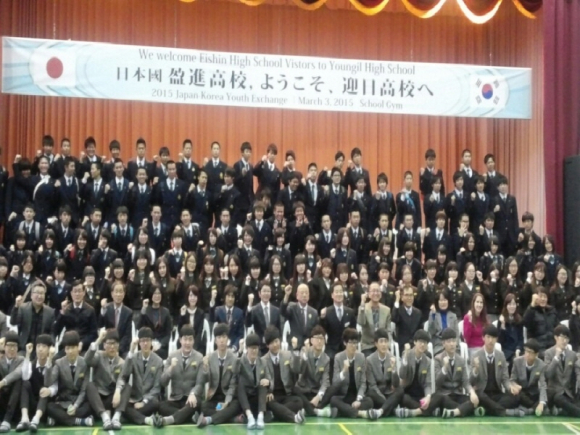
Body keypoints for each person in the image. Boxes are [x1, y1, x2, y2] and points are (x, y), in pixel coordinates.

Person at [157, 325, 204, 427]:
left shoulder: (199, 357)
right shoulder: (172, 356)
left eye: (190, 339)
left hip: (190, 399)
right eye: (185, 339)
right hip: (176, 399)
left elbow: (200, 383)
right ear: (180, 340)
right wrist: (171, 368)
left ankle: (170, 419)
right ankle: (189, 416)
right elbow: (163, 382)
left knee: (196, 403)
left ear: (193, 341)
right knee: (161, 406)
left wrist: (193, 393)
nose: (187, 343)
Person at [196, 324, 241, 428]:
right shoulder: (210, 358)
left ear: (228, 339)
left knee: (236, 405)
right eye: (219, 337)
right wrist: (205, 368)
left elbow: (233, 385)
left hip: (227, 397)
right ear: (215, 340)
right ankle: (231, 418)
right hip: (214, 398)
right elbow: (205, 380)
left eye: (224, 337)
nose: (221, 340)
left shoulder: (234, 359)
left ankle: (209, 419)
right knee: (203, 406)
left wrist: (227, 402)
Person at [45, 331, 94, 427]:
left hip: (78, 403)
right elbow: (48, 382)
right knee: (50, 407)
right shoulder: (59, 363)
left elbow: (83, 390)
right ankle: (79, 421)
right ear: (64, 349)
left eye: (73, 348)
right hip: (63, 403)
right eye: (68, 348)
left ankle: (59, 419)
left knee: (89, 406)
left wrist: (75, 406)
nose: (70, 351)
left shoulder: (84, 363)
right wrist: (49, 360)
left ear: (78, 347)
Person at [116, 327, 163, 426]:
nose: (145, 343)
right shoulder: (133, 357)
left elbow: (156, 388)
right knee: (123, 405)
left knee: (155, 403)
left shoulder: (158, 361)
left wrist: (144, 402)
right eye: (142, 341)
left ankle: (132, 416)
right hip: (135, 399)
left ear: (151, 342)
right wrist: (131, 351)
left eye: (148, 340)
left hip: (149, 401)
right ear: (139, 343)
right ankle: (146, 419)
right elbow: (124, 374)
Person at [470, 325, 519, 416]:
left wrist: (510, 387)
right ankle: (503, 411)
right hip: (483, 393)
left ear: (496, 339)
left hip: (497, 394)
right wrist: (475, 370)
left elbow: (505, 379)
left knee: (515, 398)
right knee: (479, 396)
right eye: (488, 337)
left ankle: (487, 409)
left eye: (493, 338)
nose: (490, 340)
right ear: (483, 338)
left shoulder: (501, 355)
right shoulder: (476, 355)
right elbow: (471, 381)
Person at [430, 328, 478, 418]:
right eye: (449, 341)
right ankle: (465, 410)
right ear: (443, 344)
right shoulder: (438, 359)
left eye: (453, 341)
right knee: (443, 399)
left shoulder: (461, 360)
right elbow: (437, 382)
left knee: (474, 399)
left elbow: (465, 382)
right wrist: (444, 368)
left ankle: (454, 412)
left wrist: (472, 392)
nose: (452, 344)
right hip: (444, 395)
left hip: (457, 394)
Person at [261, 326, 305, 424]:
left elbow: (297, 369)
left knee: (299, 402)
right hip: (272, 396)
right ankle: (294, 417)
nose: (275, 345)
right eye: (272, 343)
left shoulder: (287, 355)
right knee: (269, 403)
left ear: (280, 341)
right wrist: (268, 392)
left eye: (276, 341)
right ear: (267, 345)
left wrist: (296, 350)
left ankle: (274, 414)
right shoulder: (263, 361)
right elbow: (264, 381)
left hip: (285, 395)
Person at [85, 329, 126, 430]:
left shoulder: (122, 362)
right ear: (104, 345)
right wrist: (98, 340)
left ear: (118, 345)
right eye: (109, 343)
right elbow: (87, 360)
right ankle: (105, 417)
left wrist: (117, 391)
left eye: (114, 343)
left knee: (127, 386)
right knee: (89, 385)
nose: (112, 347)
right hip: (99, 397)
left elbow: (121, 379)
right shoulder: (99, 355)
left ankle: (116, 418)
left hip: (112, 398)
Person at [329, 328, 373, 418]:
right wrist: (344, 371)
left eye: (355, 343)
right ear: (345, 343)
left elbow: (363, 382)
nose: (354, 346)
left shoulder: (361, 357)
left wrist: (358, 399)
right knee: (333, 400)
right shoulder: (338, 357)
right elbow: (335, 382)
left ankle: (344, 411)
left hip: (356, 396)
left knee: (370, 401)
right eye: (351, 342)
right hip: (344, 396)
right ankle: (359, 413)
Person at [292, 325, 334, 418]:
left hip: (315, 391)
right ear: (311, 340)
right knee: (294, 390)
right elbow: (299, 370)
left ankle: (307, 409)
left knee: (331, 389)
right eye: (317, 338)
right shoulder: (304, 350)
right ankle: (316, 411)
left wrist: (318, 396)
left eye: (322, 338)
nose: (319, 341)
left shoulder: (326, 359)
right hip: (303, 390)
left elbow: (325, 381)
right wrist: (305, 356)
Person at [17, 335, 55, 432]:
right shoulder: (31, 364)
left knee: (45, 390)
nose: (40, 349)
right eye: (38, 346)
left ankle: (36, 420)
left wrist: (50, 391)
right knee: (25, 383)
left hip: (47, 405)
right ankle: (24, 418)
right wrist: (27, 355)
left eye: (44, 346)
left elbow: (54, 385)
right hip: (33, 402)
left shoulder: (54, 364)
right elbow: (25, 376)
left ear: (50, 349)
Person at [365, 328, 403, 420]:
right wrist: (386, 401)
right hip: (377, 393)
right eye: (381, 341)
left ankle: (381, 411)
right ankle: (390, 409)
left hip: (388, 392)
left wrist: (393, 369)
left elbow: (396, 384)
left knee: (400, 390)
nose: (384, 344)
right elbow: (372, 385)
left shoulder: (392, 358)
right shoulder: (369, 360)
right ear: (376, 344)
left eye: (386, 341)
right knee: (370, 392)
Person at [396, 330, 435, 418]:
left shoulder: (427, 361)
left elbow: (427, 384)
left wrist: (428, 397)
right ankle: (427, 411)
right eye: (420, 342)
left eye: (425, 342)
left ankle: (415, 412)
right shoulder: (407, 354)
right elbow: (402, 375)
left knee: (437, 397)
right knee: (403, 398)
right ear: (415, 342)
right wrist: (405, 357)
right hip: (408, 394)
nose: (422, 345)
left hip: (420, 396)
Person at [544, 325, 580, 417]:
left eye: (567, 338)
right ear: (556, 337)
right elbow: (548, 374)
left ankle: (563, 411)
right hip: (554, 394)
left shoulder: (572, 355)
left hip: (568, 393)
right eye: (562, 337)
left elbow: (577, 370)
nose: (565, 341)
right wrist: (556, 357)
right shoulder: (548, 353)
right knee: (559, 398)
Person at [237, 333, 270, 430]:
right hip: (245, 399)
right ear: (247, 348)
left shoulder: (262, 362)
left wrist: (268, 382)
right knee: (239, 384)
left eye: (256, 348)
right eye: (252, 348)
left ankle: (260, 417)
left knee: (263, 383)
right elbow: (234, 372)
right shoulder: (240, 362)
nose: (254, 351)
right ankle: (250, 417)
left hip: (258, 398)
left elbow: (270, 379)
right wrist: (239, 351)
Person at [10, 282, 55, 352]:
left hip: (42, 349)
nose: (39, 296)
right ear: (31, 295)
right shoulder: (23, 308)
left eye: (42, 293)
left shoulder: (50, 312)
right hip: (24, 348)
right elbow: (13, 322)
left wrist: (51, 345)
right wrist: (16, 307)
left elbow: (52, 332)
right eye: (37, 293)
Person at [510, 339, 547, 416]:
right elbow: (512, 380)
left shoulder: (541, 365)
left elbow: (543, 385)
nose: (527, 354)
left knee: (548, 394)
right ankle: (534, 409)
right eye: (526, 351)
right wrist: (515, 386)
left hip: (533, 394)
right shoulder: (517, 361)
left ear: (536, 354)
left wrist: (541, 403)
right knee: (516, 396)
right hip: (521, 392)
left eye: (530, 352)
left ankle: (528, 410)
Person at [99, 282, 133, 358]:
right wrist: (103, 310)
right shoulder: (106, 308)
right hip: (107, 346)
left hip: (121, 349)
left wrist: (117, 349)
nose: (118, 294)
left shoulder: (128, 312)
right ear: (112, 294)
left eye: (120, 292)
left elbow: (127, 336)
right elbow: (100, 326)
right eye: (116, 291)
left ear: (124, 294)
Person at [357, 282, 391, 356]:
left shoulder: (387, 310)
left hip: (382, 345)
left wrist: (388, 345)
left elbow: (388, 330)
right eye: (373, 291)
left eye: (378, 291)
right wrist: (362, 303)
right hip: (368, 345)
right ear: (368, 294)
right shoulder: (363, 308)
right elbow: (361, 322)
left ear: (381, 294)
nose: (376, 293)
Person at [280, 283, 318, 349]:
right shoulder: (292, 308)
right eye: (302, 293)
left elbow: (315, 331)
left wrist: (311, 342)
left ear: (309, 295)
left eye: (306, 293)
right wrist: (286, 295)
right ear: (297, 295)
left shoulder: (314, 312)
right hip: (294, 346)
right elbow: (283, 311)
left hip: (308, 347)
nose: (304, 295)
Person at [0, 332, 24, 433]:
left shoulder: (22, 360)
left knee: (18, 381)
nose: (12, 349)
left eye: (14, 346)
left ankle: (7, 420)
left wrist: (3, 382)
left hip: (15, 401)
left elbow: (17, 373)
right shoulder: (1, 360)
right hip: (2, 399)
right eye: (9, 345)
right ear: (4, 347)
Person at [523, 288, 558, 357]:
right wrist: (532, 305)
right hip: (538, 347)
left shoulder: (552, 311)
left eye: (545, 297)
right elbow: (526, 323)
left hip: (552, 345)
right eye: (540, 296)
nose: (543, 299)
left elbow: (557, 327)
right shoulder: (532, 311)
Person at [428, 290, 459, 356]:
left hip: (452, 345)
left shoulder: (453, 316)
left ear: (448, 301)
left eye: (445, 300)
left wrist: (457, 347)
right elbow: (431, 332)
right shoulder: (433, 314)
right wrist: (433, 315)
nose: (443, 302)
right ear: (437, 302)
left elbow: (456, 334)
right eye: (441, 300)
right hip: (439, 346)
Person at [498, 294, 524, 368]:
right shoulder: (501, 319)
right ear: (506, 306)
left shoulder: (519, 319)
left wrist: (518, 349)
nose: (512, 306)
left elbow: (520, 338)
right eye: (509, 304)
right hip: (506, 350)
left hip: (516, 350)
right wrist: (503, 326)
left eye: (513, 304)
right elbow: (500, 341)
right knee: (514, 361)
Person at [463, 293, 488, 358]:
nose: (479, 305)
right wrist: (470, 322)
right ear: (473, 303)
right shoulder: (467, 317)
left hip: (484, 348)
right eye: (477, 302)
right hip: (473, 349)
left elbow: (487, 334)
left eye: (481, 302)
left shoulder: (485, 318)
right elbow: (466, 339)